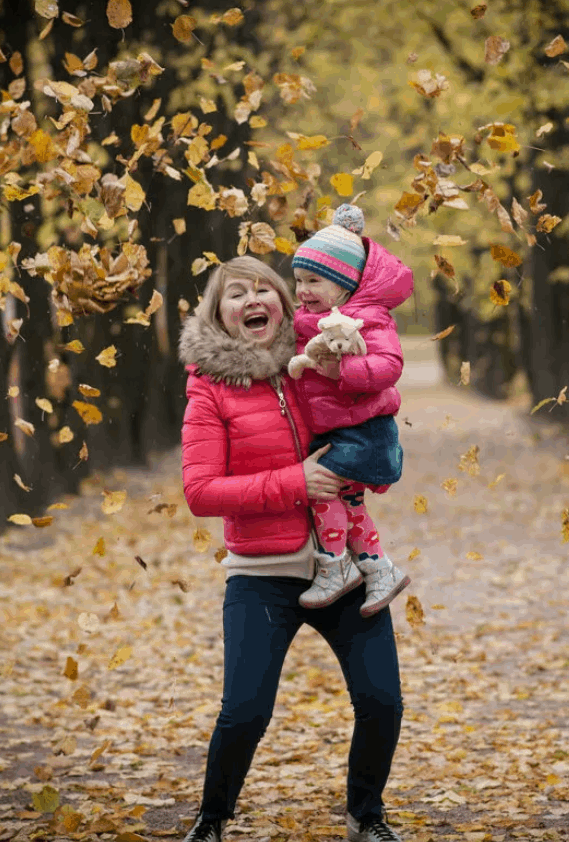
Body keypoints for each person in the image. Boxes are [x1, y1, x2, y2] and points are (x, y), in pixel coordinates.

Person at [177, 256, 407, 842]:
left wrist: (373, 462)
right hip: (262, 574)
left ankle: (366, 815)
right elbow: (201, 491)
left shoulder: (320, 360)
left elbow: (368, 406)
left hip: (345, 567)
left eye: (264, 290)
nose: (252, 300)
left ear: (284, 301)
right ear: (218, 311)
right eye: (236, 294)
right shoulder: (208, 388)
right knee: (246, 712)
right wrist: (296, 482)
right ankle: (212, 819)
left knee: (382, 701)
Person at [288, 204, 412, 616]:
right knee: (351, 503)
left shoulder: (368, 319)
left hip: (365, 431)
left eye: (314, 280)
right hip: (341, 429)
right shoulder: (310, 318)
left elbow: (389, 366)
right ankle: (380, 571)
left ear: (343, 285)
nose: (303, 290)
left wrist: (343, 370)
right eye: (299, 281)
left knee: (322, 490)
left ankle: (335, 565)